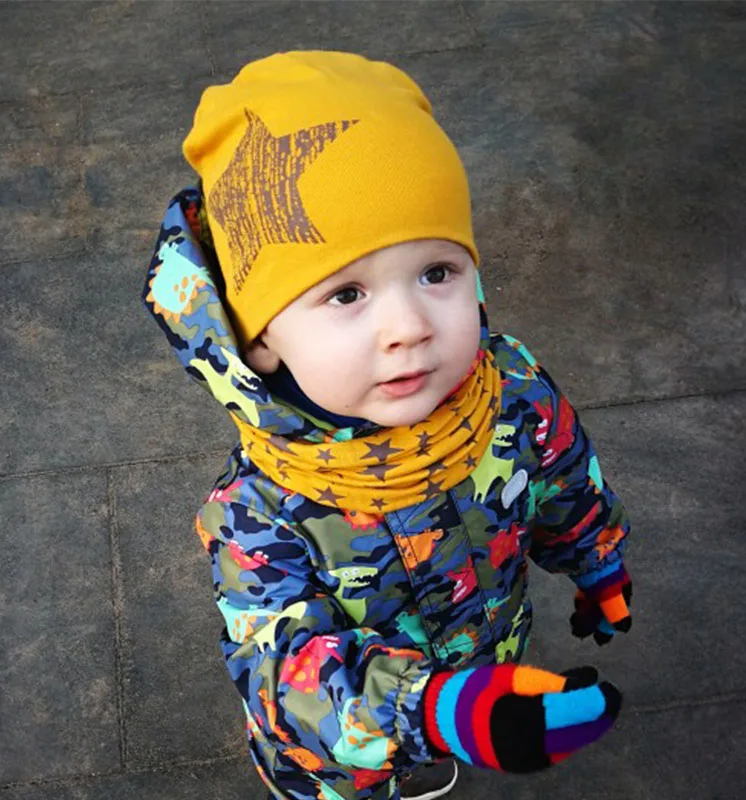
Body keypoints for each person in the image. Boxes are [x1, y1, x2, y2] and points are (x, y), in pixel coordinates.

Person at [142, 51, 632, 800]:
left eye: (437, 272)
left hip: (485, 660)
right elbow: (284, 674)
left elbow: (566, 479)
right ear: (259, 339)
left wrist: (599, 563)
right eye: (346, 294)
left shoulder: (512, 390)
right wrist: (437, 712)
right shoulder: (255, 514)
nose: (409, 326)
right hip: (344, 761)